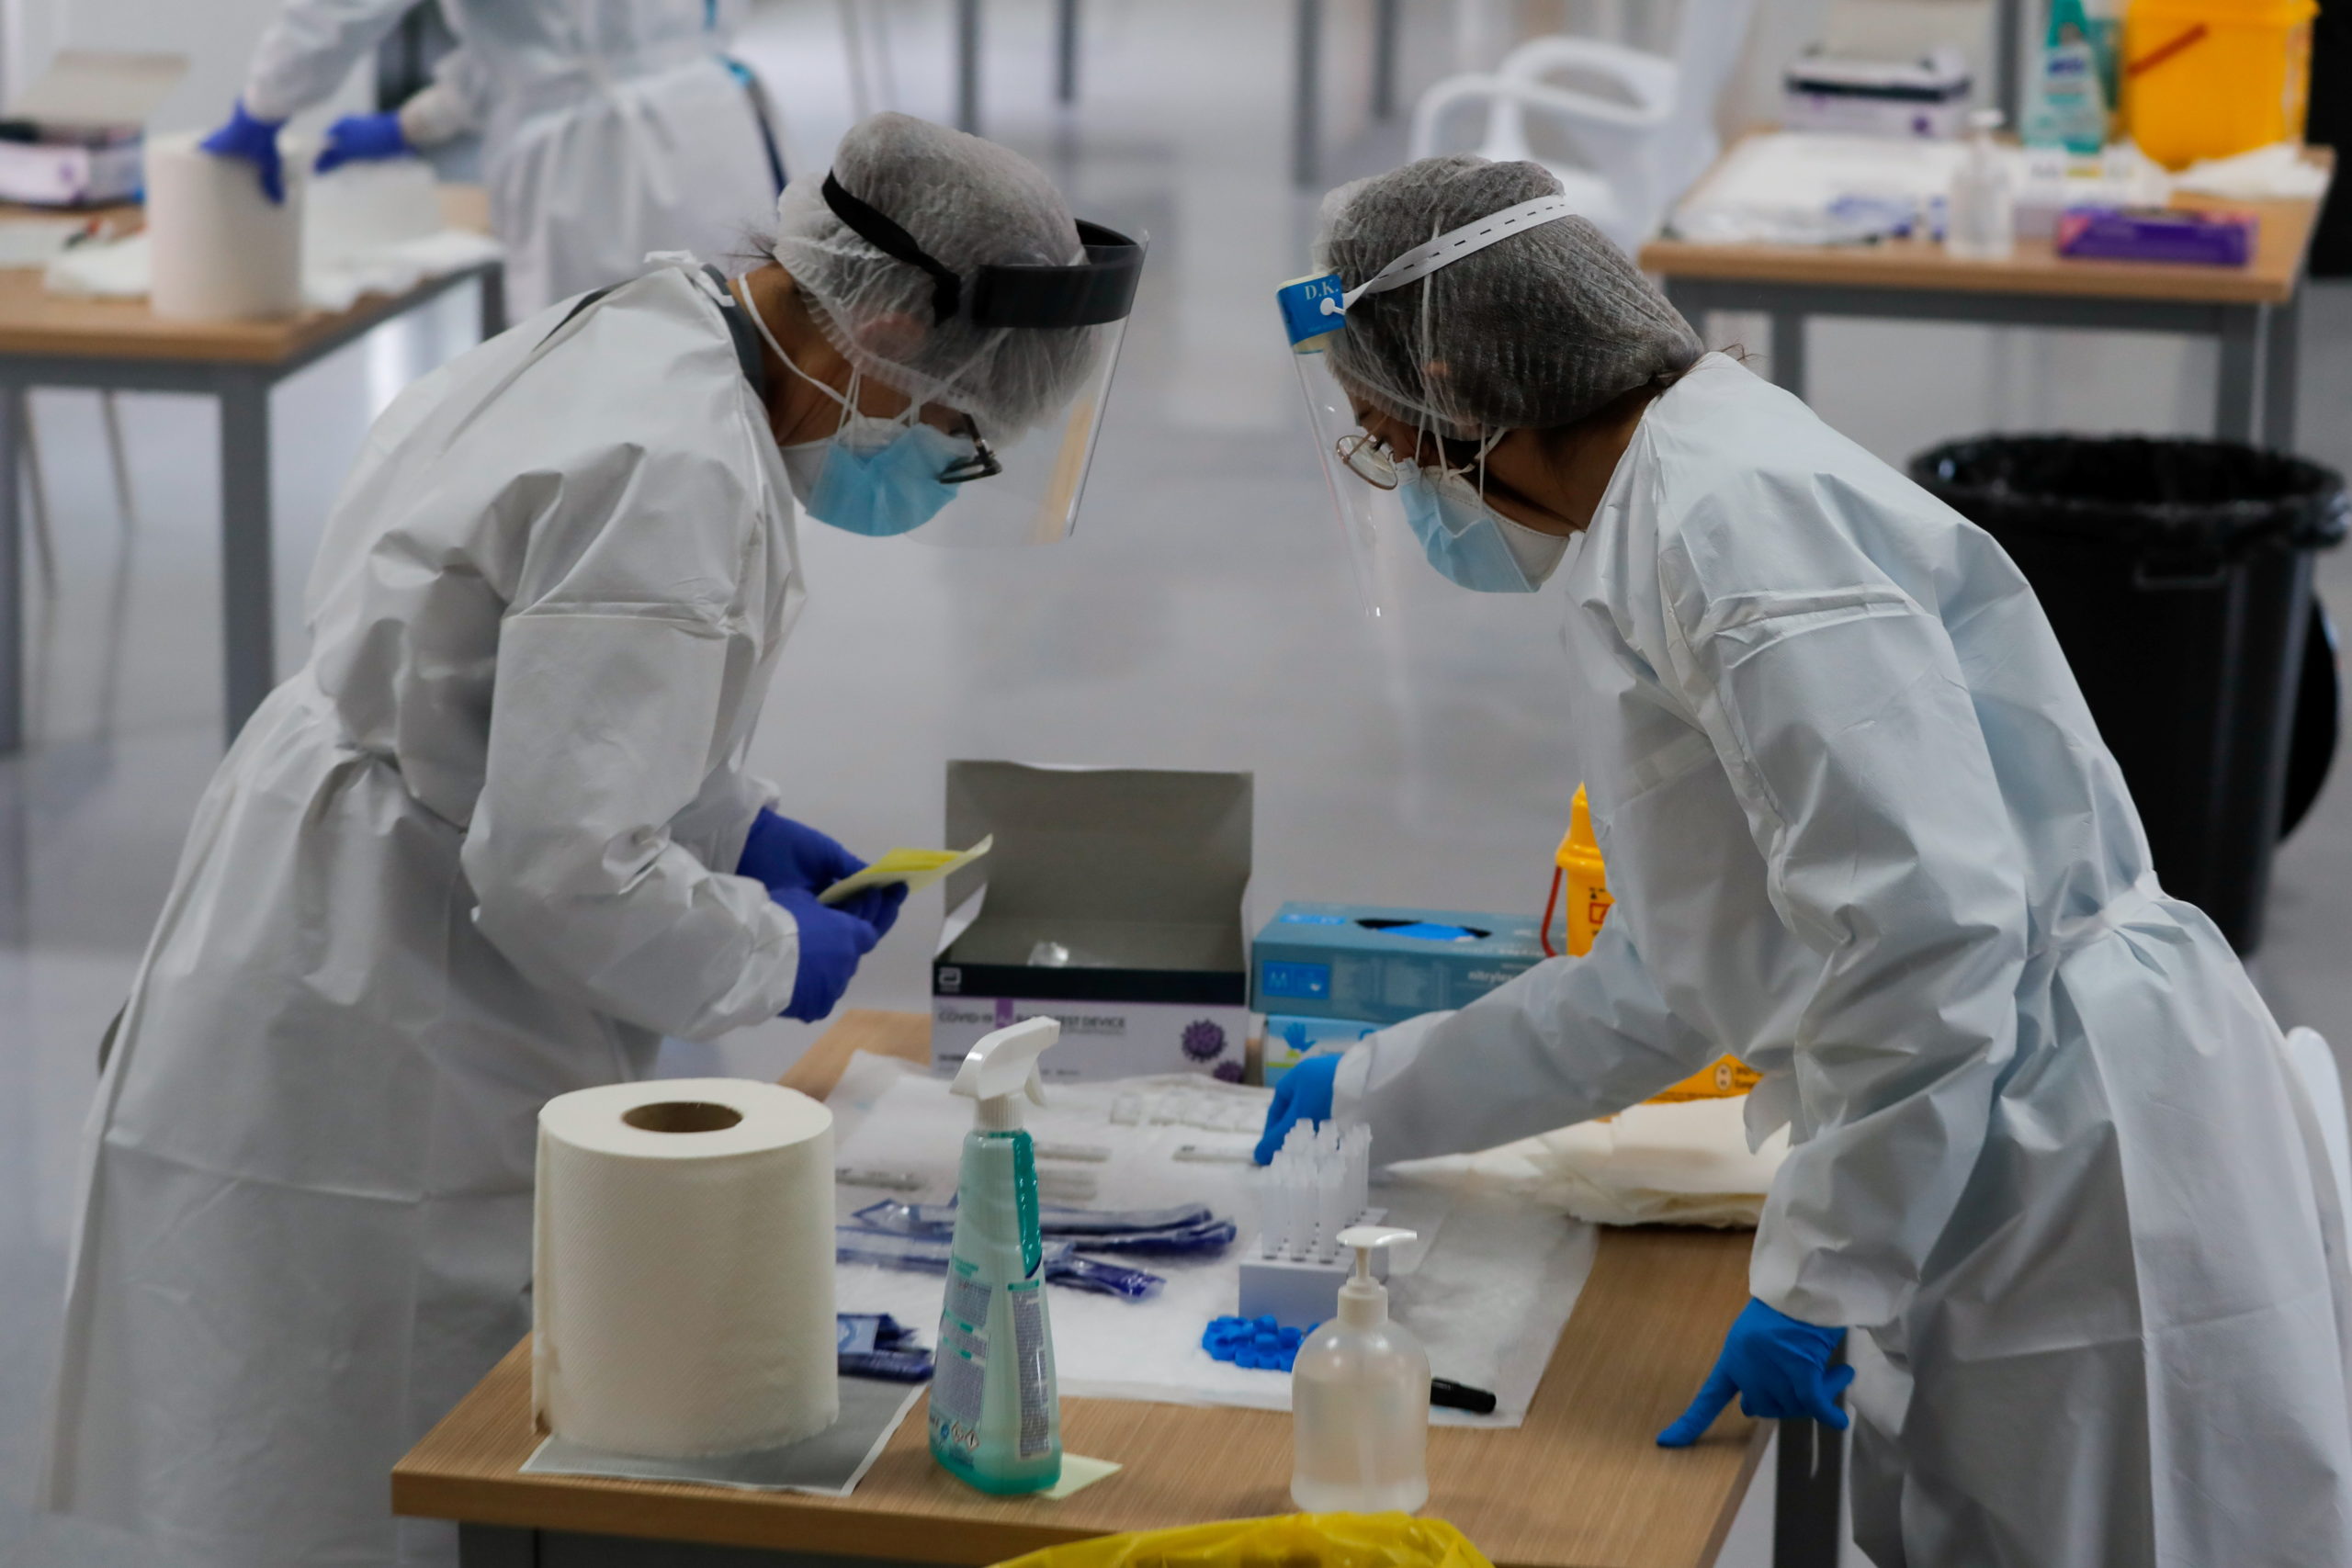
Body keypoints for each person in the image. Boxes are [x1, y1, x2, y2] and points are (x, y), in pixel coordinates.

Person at [43, 113, 1141, 1568]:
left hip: (363, 861)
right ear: (880, 332)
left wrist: (731, 822)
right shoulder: (676, 473)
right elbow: (561, 872)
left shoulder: (662, 323)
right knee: (386, 1416)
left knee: (367, 1394)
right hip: (388, 972)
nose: (943, 459)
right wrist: (770, 953)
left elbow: (528, 688)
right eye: (955, 427)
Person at [1261, 154, 2352, 1565]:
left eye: (1395, 441)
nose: (1412, 484)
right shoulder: (1654, 511)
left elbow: (1931, 928)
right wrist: (1370, 1095)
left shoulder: (1732, 524)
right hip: (1979, 1114)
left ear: (1461, 388)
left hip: (2083, 1147)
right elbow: (1676, 974)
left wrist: (1822, 1275)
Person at [201, 0, 780, 316]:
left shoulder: (585, 86)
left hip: (601, 168)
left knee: (597, 394)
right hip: (712, 126)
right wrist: (417, 122)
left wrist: (263, 106)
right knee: (729, 376)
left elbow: (341, 13)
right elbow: (541, 47)